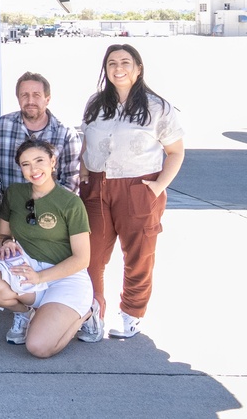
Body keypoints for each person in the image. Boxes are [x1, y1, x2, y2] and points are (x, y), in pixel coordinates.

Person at [79, 44, 184, 338]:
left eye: (125, 62)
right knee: (91, 254)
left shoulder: (157, 106)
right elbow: (86, 140)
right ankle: (93, 312)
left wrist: (158, 186)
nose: (118, 67)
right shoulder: (95, 103)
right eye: (112, 62)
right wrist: (84, 171)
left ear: (138, 68)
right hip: (97, 187)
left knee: (139, 254)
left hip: (139, 186)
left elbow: (175, 152)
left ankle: (131, 313)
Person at [0, 140, 102, 358]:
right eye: (26, 164)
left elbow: (82, 259)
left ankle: (88, 312)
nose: (34, 169)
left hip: (65, 278)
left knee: (38, 347)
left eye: (39, 161)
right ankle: (25, 314)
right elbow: (2, 235)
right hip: (29, 271)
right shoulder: (15, 193)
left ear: (53, 162)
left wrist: (40, 277)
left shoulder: (71, 203)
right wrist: (7, 243)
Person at [0, 71, 82, 194]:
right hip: (9, 208)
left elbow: (71, 184)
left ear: (47, 99)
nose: (30, 100)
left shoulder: (66, 134)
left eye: (36, 95)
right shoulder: (1, 126)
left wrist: (47, 207)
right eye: (24, 95)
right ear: (18, 98)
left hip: (51, 210)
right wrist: (0, 204)